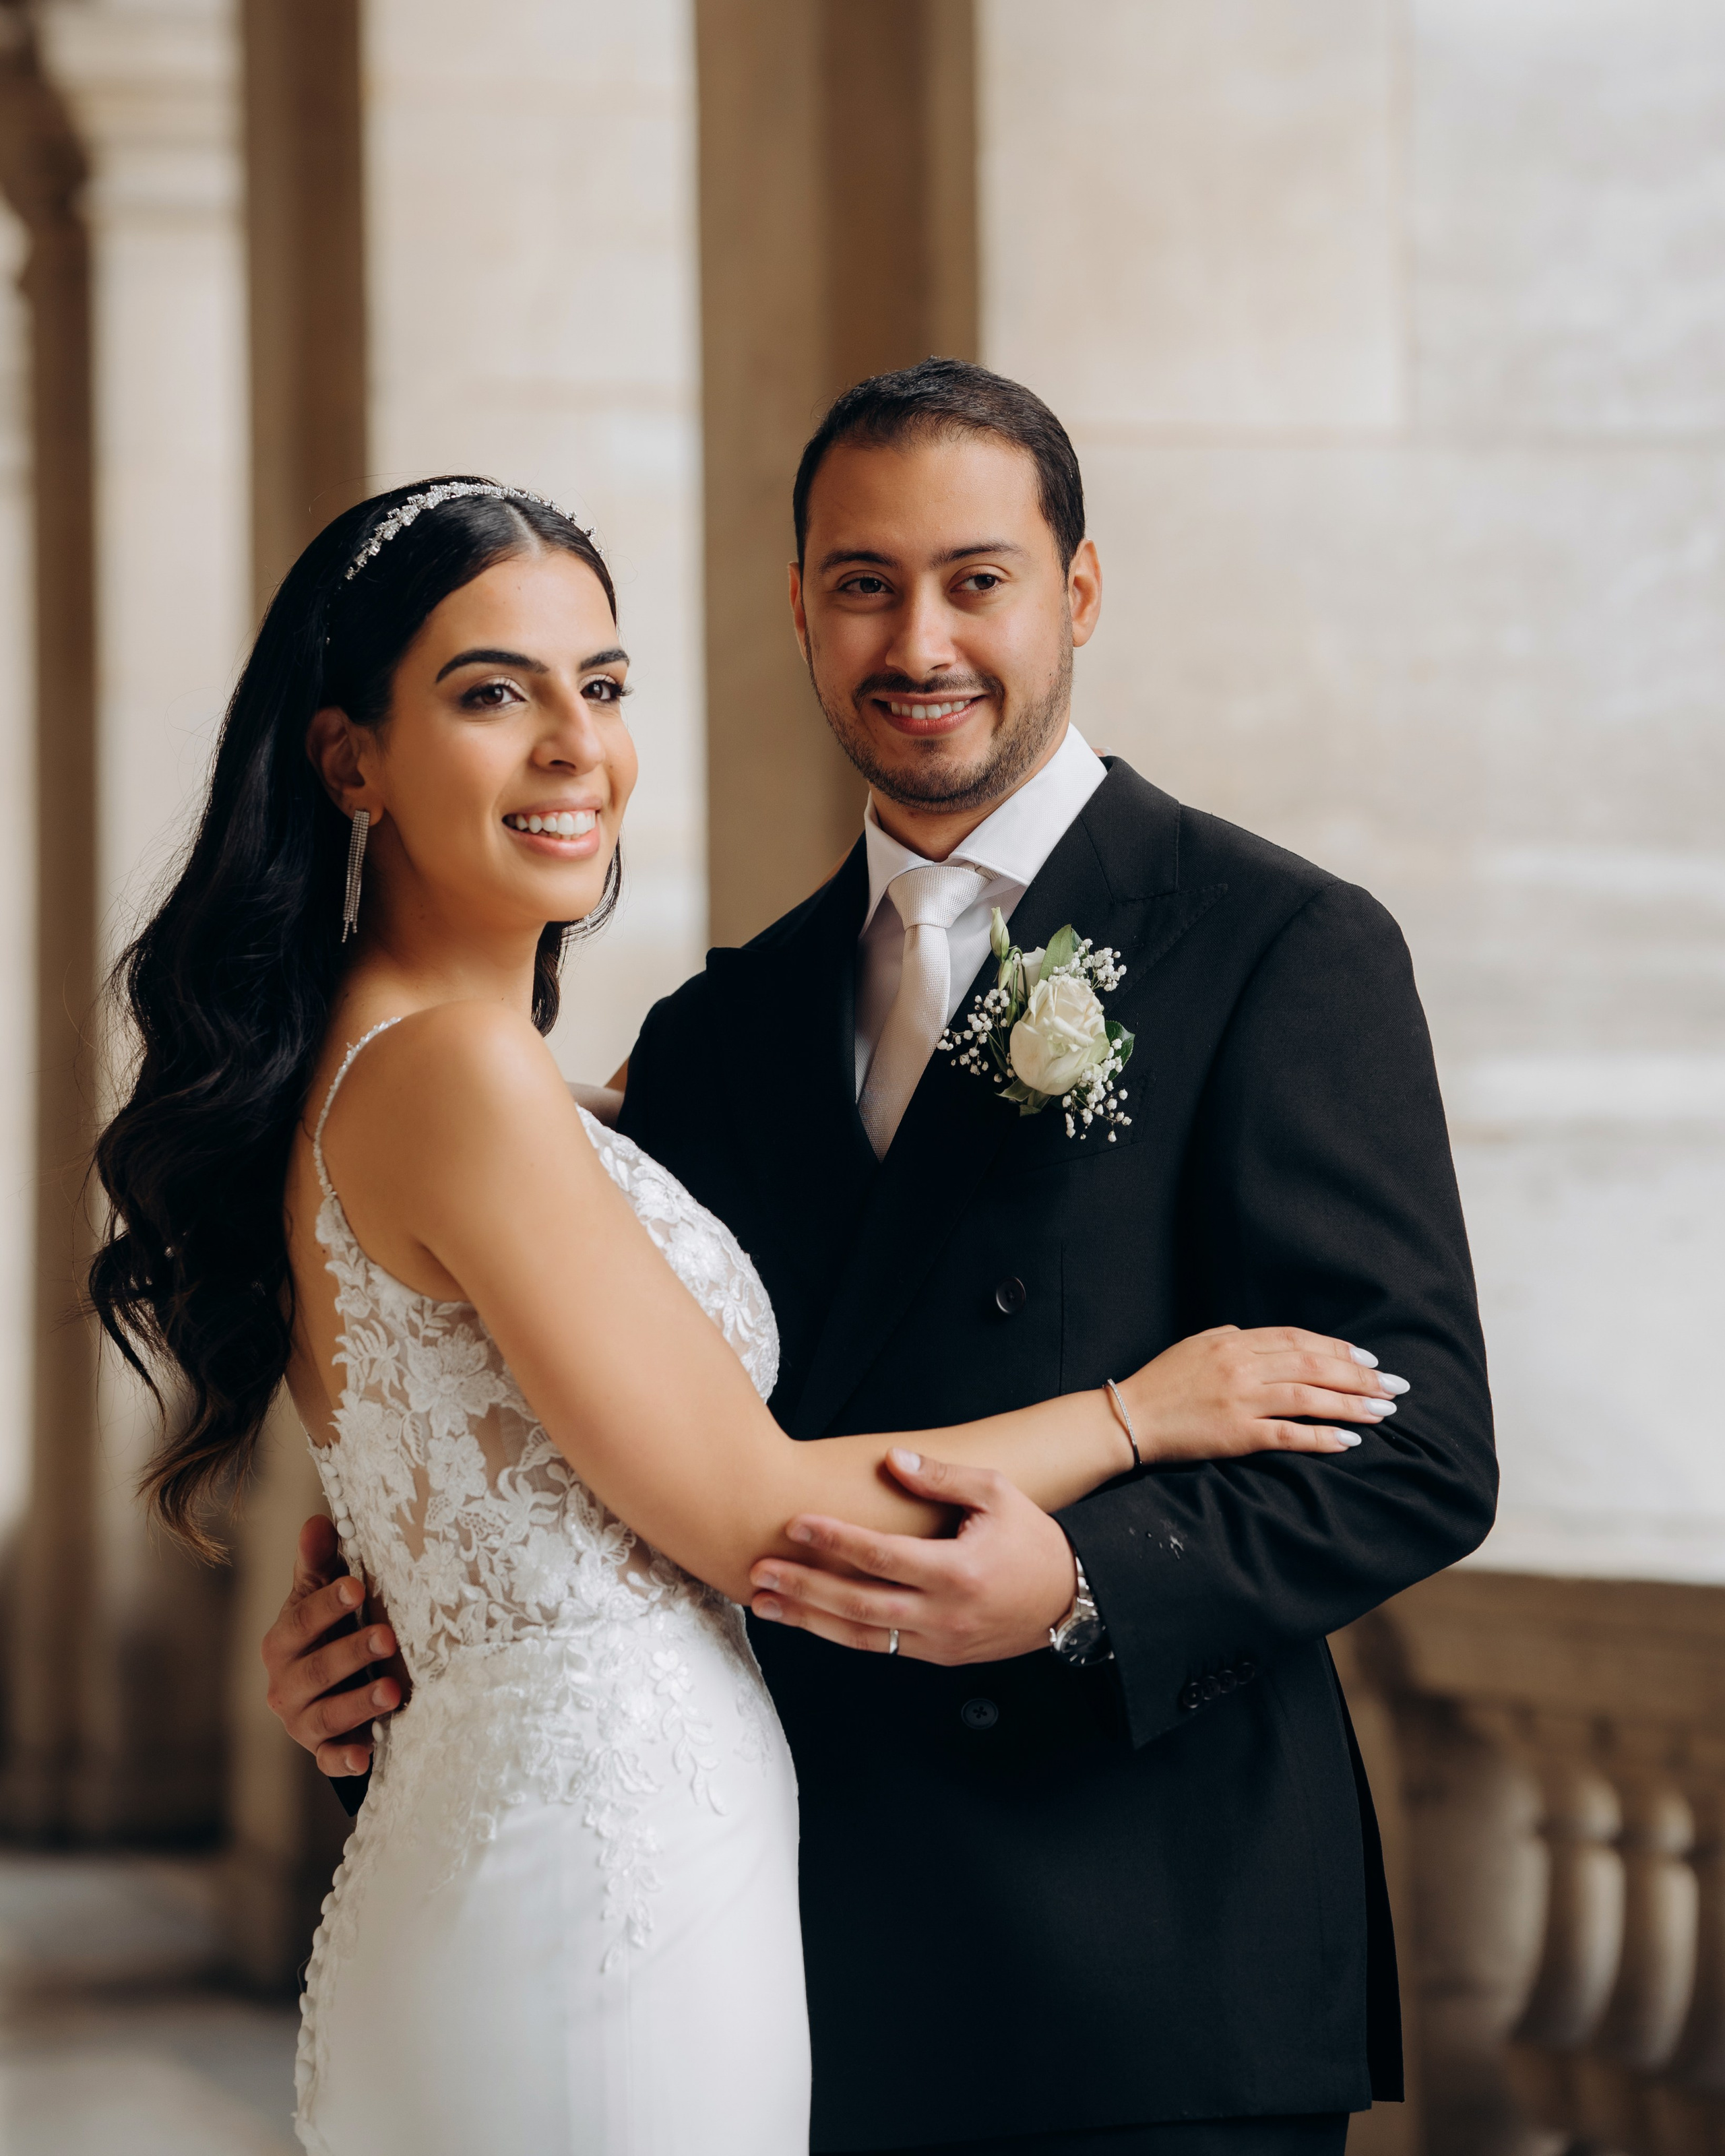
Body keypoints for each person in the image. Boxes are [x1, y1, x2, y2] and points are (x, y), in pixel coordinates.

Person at [90, 472, 1398, 2156]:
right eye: (496, 691)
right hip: (620, 1886)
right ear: (350, 757)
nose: (576, 743)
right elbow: (747, 1508)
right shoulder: (485, 1069)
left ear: (1075, 591)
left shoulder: (550, 1079)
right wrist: (1142, 1411)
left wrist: (416, 1613)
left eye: (605, 684)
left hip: (1063, 1948)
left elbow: (1409, 1439)